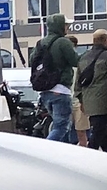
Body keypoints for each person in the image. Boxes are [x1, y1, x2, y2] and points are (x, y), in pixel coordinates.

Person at [30, 14, 79, 144]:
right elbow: (76, 61)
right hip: (61, 89)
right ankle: (45, 150)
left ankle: (61, 156)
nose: (67, 27)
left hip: (46, 91)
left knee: (61, 127)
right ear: (60, 26)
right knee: (62, 127)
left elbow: (32, 61)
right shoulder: (63, 42)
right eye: (66, 25)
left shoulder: (40, 43)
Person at [75, 30, 107, 153]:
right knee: (98, 133)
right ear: (105, 40)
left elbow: (78, 81)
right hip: (104, 102)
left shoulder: (83, 57)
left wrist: (80, 99)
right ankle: (89, 158)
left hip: (88, 102)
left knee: (101, 132)